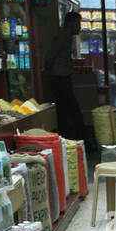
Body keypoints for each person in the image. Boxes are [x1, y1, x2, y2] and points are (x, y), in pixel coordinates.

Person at [44, 11, 84, 140]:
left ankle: (68, 138)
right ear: (71, 24)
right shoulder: (62, 36)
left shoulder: (67, 37)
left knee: (65, 111)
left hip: (63, 77)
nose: (79, 27)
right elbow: (49, 57)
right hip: (59, 78)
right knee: (70, 111)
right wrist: (50, 71)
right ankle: (75, 138)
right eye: (78, 23)